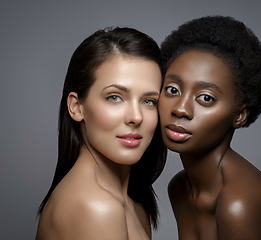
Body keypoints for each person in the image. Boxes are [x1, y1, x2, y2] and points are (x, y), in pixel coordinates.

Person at [158, 15, 261, 239]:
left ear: (239, 115)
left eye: (206, 98)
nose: (180, 109)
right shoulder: (179, 189)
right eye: (172, 90)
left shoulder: (238, 204)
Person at [36, 27, 166, 240]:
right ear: (77, 107)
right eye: (115, 97)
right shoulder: (96, 208)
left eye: (148, 101)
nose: (136, 117)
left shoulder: (134, 205)